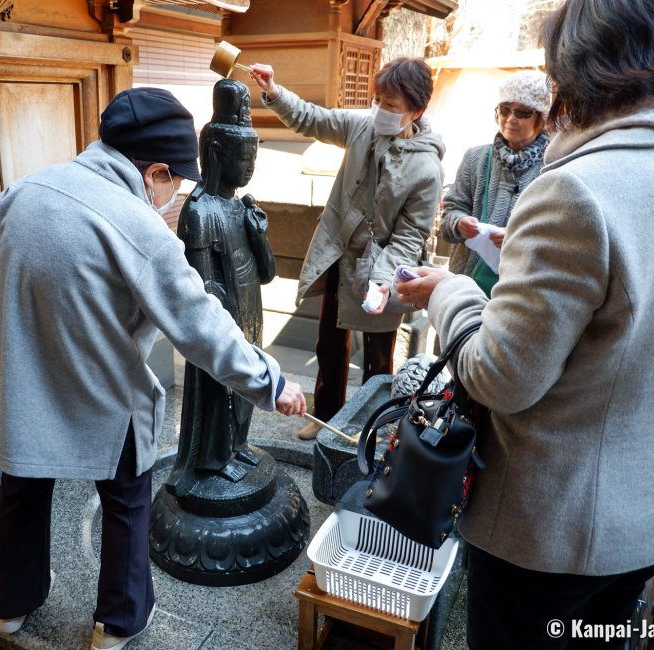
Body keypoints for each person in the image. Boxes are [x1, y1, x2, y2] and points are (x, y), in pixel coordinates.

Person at [0, 87, 306, 650]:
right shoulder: (139, 228)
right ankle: (116, 623)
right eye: (176, 183)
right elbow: (202, 326)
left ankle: (11, 607)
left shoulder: (26, 189)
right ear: (155, 171)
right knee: (125, 500)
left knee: (22, 488)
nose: (174, 196)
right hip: (106, 394)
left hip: (30, 381)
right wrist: (272, 382)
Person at [394, 1, 654, 647]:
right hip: (637, 522)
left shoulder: (572, 190)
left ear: (573, 76)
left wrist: (448, 290)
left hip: (550, 530)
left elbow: (501, 376)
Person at [250, 57, 445, 440]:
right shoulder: (362, 127)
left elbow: (409, 237)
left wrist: (384, 280)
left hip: (385, 269)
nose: (381, 111)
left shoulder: (427, 169)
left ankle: (372, 426)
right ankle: (325, 417)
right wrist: (273, 92)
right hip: (340, 255)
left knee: (378, 356)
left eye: (391, 106)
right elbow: (313, 119)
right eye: (378, 100)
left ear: (416, 111)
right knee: (330, 343)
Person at [168, 78, 276, 491]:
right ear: (215, 151)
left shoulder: (238, 207)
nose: (249, 165)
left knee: (247, 383)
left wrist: (259, 234)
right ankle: (212, 459)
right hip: (221, 316)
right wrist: (224, 323)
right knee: (218, 389)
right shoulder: (198, 210)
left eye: (254, 154)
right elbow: (202, 287)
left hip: (251, 307)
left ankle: (238, 444)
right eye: (242, 154)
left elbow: (266, 273)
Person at [439, 70, 550, 296]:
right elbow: (450, 213)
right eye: (505, 110)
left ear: (542, 117)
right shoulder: (475, 158)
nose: (510, 119)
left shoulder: (553, 166)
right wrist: (459, 223)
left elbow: (559, 236)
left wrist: (517, 239)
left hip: (522, 293)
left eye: (522, 112)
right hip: (466, 287)